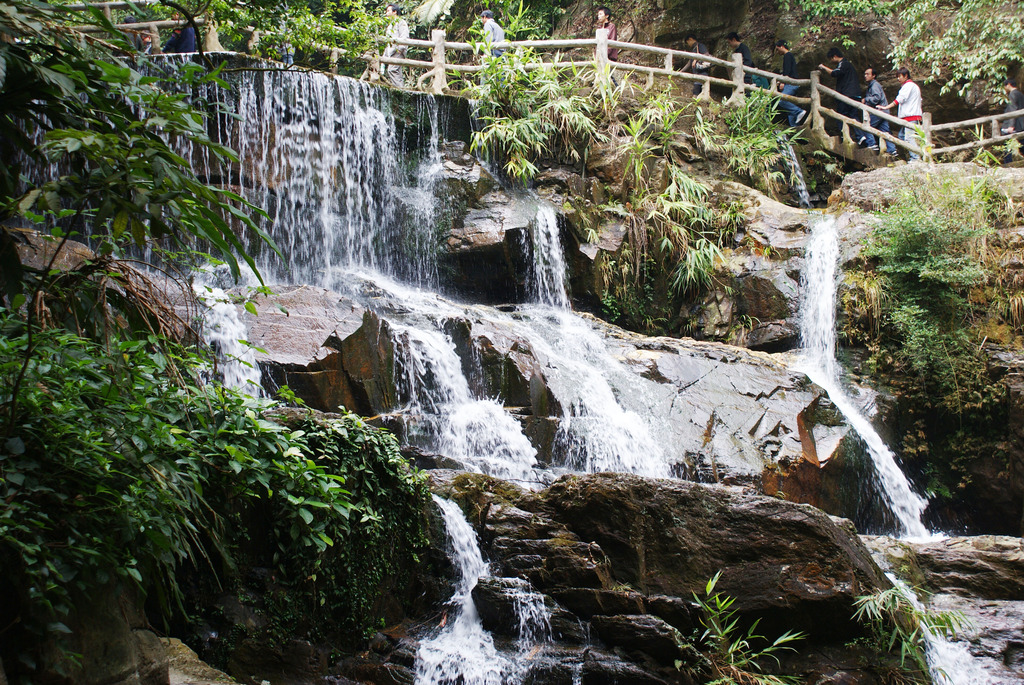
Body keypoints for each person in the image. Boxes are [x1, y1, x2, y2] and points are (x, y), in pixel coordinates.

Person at [818, 47, 866, 145]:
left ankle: (845, 136)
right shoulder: (849, 66)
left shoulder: (843, 64)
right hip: (855, 95)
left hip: (847, 95)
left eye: (831, 59)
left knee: (840, 116)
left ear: (835, 56)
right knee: (853, 116)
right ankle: (861, 137)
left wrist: (823, 67)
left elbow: (835, 73)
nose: (831, 62)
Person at [880, 67, 923, 161]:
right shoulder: (914, 86)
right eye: (897, 76)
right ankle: (914, 155)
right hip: (911, 116)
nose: (898, 79)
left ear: (906, 76)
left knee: (908, 138)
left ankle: (915, 158)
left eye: (900, 76)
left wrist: (886, 107)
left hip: (911, 116)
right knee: (902, 136)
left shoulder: (908, 86)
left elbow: (900, 99)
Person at [861, 66, 897, 154]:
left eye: (868, 74)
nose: (865, 76)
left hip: (879, 111)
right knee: (885, 131)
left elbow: (876, 98)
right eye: (865, 74)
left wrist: (866, 99)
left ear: (873, 76)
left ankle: (872, 144)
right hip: (883, 112)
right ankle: (892, 150)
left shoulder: (874, 85)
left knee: (866, 126)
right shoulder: (873, 85)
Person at [773, 40, 806, 126]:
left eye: (777, 49)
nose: (777, 52)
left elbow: (787, 71)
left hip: (791, 83)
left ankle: (799, 111)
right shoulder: (790, 56)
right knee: (790, 109)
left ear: (782, 47)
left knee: (782, 101)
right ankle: (795, 130)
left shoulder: (787, 56)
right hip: (792, 82)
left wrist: (783, 82)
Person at [383, 3, 409, 88]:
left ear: (394, 12)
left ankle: (399, 90)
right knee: (396, 71)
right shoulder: (390, 25)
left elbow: (404, 36)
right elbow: (388, 41)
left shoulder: (401, 22)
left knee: (392, 69)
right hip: (391, 52)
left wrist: (400, 49)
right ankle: (400, 88)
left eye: (388, 11)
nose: (386, 13)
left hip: (398, 51)